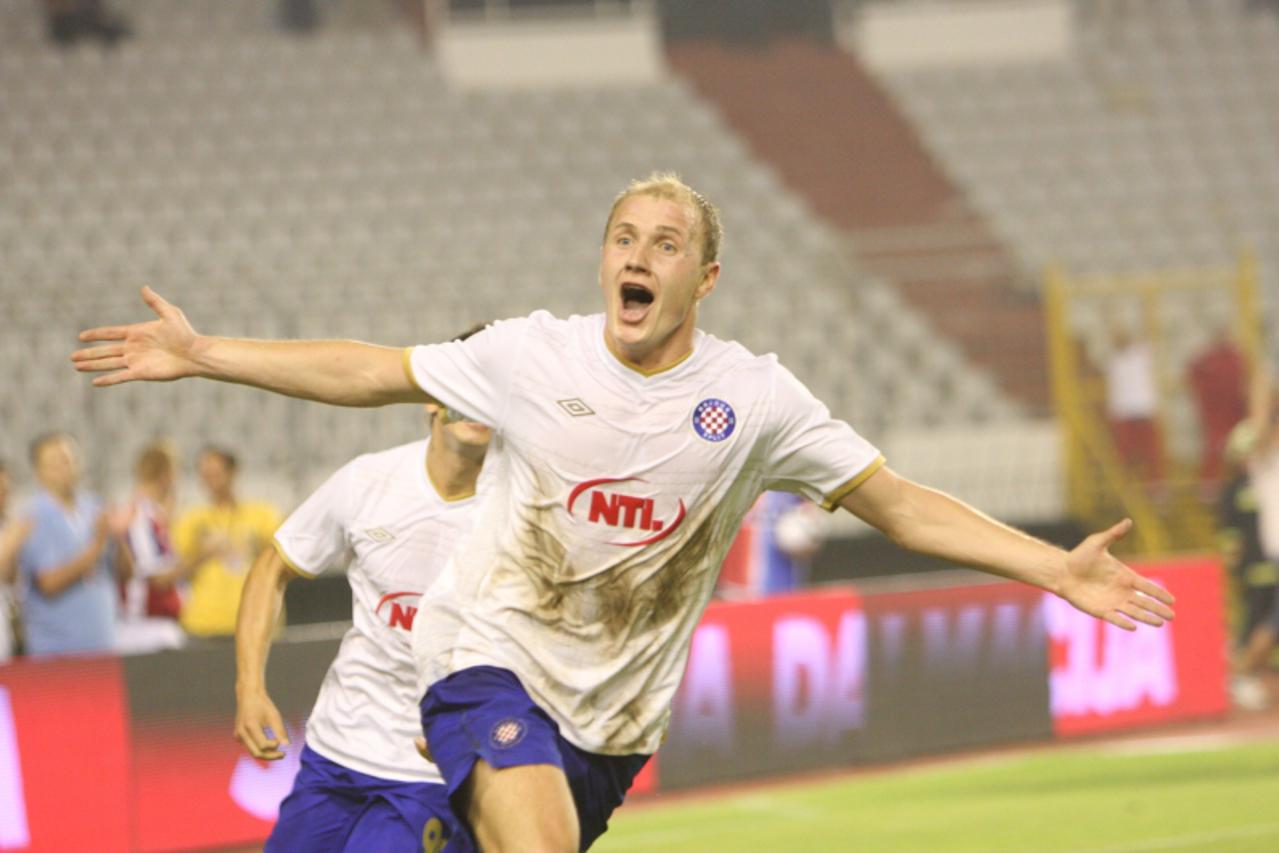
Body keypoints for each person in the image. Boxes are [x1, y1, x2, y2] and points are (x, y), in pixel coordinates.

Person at [73, 173, 1175, 852]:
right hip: (482, 661)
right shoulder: (528, 354)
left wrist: (1052, 568)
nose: (636, 255)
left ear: (706, 277)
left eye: (664, 243)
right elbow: (370, 369)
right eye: (622, 236)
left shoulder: (754, 400)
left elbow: (892, 501)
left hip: (611, 728)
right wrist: (208, 353)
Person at [235, 328, 491, 852]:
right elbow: (271, 567)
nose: (473, 399)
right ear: (427, 398)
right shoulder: (368, 480)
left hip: (432, 771)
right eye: (461, 381)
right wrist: (249, 689)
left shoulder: (523, 511)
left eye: (491, 387)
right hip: (332, 756)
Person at [16, 433, 132, 657]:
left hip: (103, 645)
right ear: (39, 472)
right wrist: (97, 546)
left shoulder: (95, 507)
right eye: (54, 463)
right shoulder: (34, 516)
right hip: (57, 651)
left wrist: (118, 537)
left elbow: (126, 574)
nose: (64, 468)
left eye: (68, 460)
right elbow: (49, 584)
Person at [173, 447, 282, 638]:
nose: (210, 480)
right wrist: (204, 553)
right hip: (204, 621)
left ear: (232, 472)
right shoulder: (192, 518)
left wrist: (252, 546)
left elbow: (280, 562)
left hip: (255, 620)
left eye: (215, 473)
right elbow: (177, 571)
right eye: (205, 474)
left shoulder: (262, 514)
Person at [1232, 364, 1279, 709]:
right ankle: (1239, 675)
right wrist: (1263, 386)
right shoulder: (1262, 450)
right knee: (1274, 623)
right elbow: (1262, 424)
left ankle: (1242, 675)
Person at [116, 441, 188, 654]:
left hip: (157, 624)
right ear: (166, 473)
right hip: (146, 629)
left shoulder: (155, 515)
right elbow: (154, 576)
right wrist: (200, 557)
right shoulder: (139, 515)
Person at [716, 491, 828, 598]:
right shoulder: (734, 483)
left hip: (782, 585)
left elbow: (812, 514)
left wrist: (808, 533)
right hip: (736, 586)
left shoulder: (791, 480)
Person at [1104, 325, 1165, 495]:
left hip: (1144, 409)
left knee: (1151, 452)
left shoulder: (1141, 354)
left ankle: (1155, 485)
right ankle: (1125, 485)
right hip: (1124, 411)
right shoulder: (1113, 359)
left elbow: (1152, 331)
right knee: (1124, 453)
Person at [1187, 327, 1248, 495]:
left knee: (1241, 450)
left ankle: (1243, 482)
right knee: (1215, 449)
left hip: (1235, 415)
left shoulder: (1237, 358)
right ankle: (1210, 486)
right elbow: (1193, 374)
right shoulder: (1209, 359)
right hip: (1216, 417)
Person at [0, 461, 33, 661]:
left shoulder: (8, 525)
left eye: (5, 490)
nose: (4, 497)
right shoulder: (11, 534)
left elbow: (11, 579)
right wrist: (10, 545)